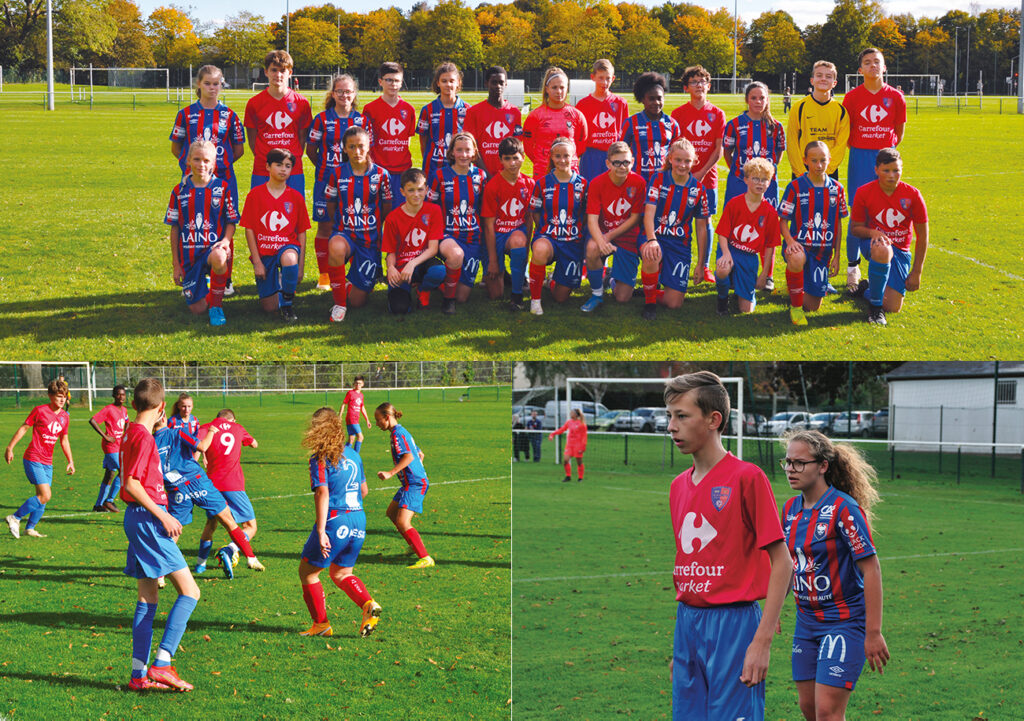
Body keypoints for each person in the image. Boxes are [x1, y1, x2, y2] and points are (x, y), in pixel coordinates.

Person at [664, 371, 791, 721]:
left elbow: (783, 562)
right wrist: (683, 650)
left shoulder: (746, 477)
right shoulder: (677, 487)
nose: (672, 426)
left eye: (682, 416)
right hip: (688, 623)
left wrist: (761, 640)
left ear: (713, 420)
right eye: (669, 416)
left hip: (734, 626)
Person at [780, 430, 889, 721]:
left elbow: (871, 568)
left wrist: (873, 632)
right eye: (788, 462)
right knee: (809, 709)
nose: (791, 469)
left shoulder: (844, 509)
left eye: (799, 463)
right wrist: (774, 609)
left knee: (828, 711)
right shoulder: (789, 510)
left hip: (843, 623)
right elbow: (788, 566)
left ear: (823, 466)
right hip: (806, 623)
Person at [119, 378, 200, 692]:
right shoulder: (143, 437)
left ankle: (138, 677)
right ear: (163, 407)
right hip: (148, 520)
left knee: (147, 599)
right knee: (190, 592)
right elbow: (131, 484)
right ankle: (162, 663)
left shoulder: (131, 431)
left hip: (135, 519)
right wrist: (164, 514)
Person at [298, 408, 381, 638]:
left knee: (308, 573)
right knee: (342, 573)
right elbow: (364, 490)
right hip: (358, 518)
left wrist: (322, 530)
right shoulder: (354, 455)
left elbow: (322, 493)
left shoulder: (320, 458)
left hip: (336, 520)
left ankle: (321, 624)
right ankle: (368, 605)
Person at [154, 415, 265, 580]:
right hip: (198, 481)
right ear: (163, 417)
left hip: (175, 487)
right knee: (228, 520)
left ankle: (161, 574)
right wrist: (212, 432)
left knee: (175, 530)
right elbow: (202, 446)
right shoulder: (178, 433)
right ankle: (251, 558)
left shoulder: (150, 442)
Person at [169, 65, 245, 297]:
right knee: (191, 226)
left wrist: (219, 167)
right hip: (194, 180)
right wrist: (193, 167)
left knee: (224, 227)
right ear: (198, 85)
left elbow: (239, 149)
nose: (213, 88)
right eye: (208, 83)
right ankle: (193, 276)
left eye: (217, 83)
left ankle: (225, 277)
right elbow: (176, 147)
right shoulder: (185, 114)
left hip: (224, 179)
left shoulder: (230, 115)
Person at [841, 48, 906, 293]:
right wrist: (864, 146)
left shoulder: (897, 97)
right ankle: (852, 270)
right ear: (860, 70)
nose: (873, 66)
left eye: (877, 62)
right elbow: (847, 133)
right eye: (867, 63)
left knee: (884, 212)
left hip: (885, 159)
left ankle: (883, 262)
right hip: (859, 157)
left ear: (884, 67)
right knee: (857, 214)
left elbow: (898, 133)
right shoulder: (852, 97)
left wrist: (884, 154)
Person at [848, 147, 928, 326]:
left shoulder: (913, 195)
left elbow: (922, 237)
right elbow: (855, 229)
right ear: (876, 170)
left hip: (900, 251)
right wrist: (873, 233)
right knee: (883, 248)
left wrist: (917, 272)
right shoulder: (864, 192)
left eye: (896, 170)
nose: (892, 175)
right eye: (886, 170)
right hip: (873, 245)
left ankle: (868, 289)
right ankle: (875, 310)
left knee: (893, 307)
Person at [165, 139, 238, 326]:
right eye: (197, 159)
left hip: (212, 249)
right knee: (197, 310)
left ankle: (217, 307)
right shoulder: (178, 191)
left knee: (220, 258)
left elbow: (231, 221)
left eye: (206, 161)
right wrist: (176, 264)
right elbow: (175, 228)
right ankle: (206, 285)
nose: (201, 165)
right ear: (188, 160)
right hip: (189, 255)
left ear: (214, 163)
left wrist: (226, 241)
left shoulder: (222, 188)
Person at [323, 126, 392, 322]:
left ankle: (347, 286)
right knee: (335, 247)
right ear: (344, 149)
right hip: (345, 234)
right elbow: (331, 203)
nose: (357, 151)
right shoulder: (337, 173)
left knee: (358, 301)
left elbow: (387, 205)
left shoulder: (381, 175)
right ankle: (338, 304)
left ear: (369, 146)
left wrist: (376, 226)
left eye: (361, 146)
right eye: (351, 147)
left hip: (369, 241)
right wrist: (340, 225)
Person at [638, 138, 710, 321]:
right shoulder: (659, 178)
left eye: (687, 161)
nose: (682, 165)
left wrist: (701, 264)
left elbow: (702, 228)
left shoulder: (698, 189)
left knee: (674, 304)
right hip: (655, 237)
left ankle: (651, 288)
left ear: (694, 161)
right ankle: (649, 303)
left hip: (680, 244)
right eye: (678, 160)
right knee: (652, 253)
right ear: (670, 159)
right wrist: (651, 239)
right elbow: (648, 213)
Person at [779, 141, 849, 326]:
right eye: (814, 160)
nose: (819, 165)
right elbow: (783, 220)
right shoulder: (795, 187)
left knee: (813, 306)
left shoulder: (837, 189)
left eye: (823, 160)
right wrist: (790, 241)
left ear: (829, 161)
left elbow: (838, 225)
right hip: (800, 245)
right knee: (796, 258)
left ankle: (796, 286)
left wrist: (837, 256)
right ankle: (795, 308)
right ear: (805, 161)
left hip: (822, 252)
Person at [723, 82, 785, 291]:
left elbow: (778, 153)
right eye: (754, 98)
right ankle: (731, 269)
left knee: (767, 226)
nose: (758, 102)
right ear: (747, 100)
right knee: (734, 225)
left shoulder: (775, 126)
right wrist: (741, 174)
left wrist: (767, 173)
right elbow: (728, 152)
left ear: (768, 100)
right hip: (739, 182)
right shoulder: (734, 124)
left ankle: (767, 275)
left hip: (767, 185)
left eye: (762, 98)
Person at [306, 74, 365, 291]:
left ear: (354, 93)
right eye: (339, 91)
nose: (344, 95)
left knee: (351, 226)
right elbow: (311, 149)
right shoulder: (322, 119)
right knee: (325, 227)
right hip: (326, 181)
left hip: (353, 183)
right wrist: (327, 168)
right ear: (333, 94)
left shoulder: (362, 120)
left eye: (348, 91)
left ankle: (345, 273)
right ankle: (324, 275)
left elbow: (367, 152)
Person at [240, 148, 309, 322]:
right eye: (279, 165)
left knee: (290, 259)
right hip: (265, 254)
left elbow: (301, 233)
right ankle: (280, 283)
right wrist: (257, 262)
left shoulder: (296, 197)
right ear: (268, 167)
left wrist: (300, 266)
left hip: (287, 248)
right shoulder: (255, 195)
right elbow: (249, 229)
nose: (284, 169)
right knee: (269, 308)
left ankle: (287, 305)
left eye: (288, 166)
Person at [672, 65, 726, 285]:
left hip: (707, 179)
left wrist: (702, 172)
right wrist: (685, 172)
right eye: (694, 82)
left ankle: (704, 267)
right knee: (678, 221)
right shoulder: (678, 114)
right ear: (686, 88)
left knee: (705, 221)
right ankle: (678, 263)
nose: (699, 85)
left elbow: (719, 148)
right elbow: (673, 149)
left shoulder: (717, 114)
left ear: (709, 86)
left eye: (702, 81)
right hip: (681, 179)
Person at [580, 142, 646, 311]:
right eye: (617, 163)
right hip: (602, 232)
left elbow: (635, 218)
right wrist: (602, 241)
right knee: (593, 247)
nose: (622, 167)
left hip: (627, 237)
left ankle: (610, 278)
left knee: (622, 298)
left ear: (632, 161)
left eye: (626, 162)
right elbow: (592, 220)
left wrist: (609, 237)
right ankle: (597, 294)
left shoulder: (638, 183)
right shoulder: (596, 183)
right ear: (608, 163)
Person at [527, 137, 589, 316]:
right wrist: (547, 229)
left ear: (574, 157)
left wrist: (573, 229)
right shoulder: (542, 183)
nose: (562, 160)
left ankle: (551, 281)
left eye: (566, 156)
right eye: (558, 156)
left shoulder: (583, 184)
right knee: (539, 249)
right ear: (552, 158)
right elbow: (535, 211)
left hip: (572, 242)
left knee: (560, 298)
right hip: (549, 237)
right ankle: (535, 301)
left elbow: (586, 214)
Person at [5, 379, 74, 539]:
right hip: (33, 457)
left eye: (64, 396)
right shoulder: (40, 410)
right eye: (58, 396)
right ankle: (14, 517)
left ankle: (30, 528)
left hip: (47, 462)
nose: (62, 399)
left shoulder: (65, 417)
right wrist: (10, 447)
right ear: (50, 396)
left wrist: (70, 460)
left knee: (43, 497)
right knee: (45, 495)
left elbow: (64, 439)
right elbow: (24, 428)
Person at [428, 131, 488, 313]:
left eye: (467, 150)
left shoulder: (481, 176)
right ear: (452, 152)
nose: (463, 154)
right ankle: (447, 301)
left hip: (472, 237)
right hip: (447, 234)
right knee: (455, 255)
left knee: (462, 296)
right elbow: (430, 209)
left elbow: (485, 210)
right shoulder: (439, 176)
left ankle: (437, 282)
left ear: (474, 153)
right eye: (459, 150)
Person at [194, 409, 260, 576]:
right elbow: (254, 443)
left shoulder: (207, 427)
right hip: (233, 484)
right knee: (250, 526)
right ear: (233, 419)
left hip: (212, 485)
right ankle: (230, 550)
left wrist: (204, 454)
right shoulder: (237, 428)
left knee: (211, 524)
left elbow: (196, 445)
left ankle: (200, 565)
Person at [713, 158, 781, 316]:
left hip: (749, 257)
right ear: (746, 180)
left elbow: (771, 245)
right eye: (755, 178)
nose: (760, 183)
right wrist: (726, 253)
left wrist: (765, 274)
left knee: (746, 310)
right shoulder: (734, 204)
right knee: (722, 269)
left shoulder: (770, 212)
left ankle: (741, 288)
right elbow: (722, 233)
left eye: (764, 179)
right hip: (731, 249)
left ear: (769, 183)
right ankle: (722, 299)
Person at [374, 402, 434, 569]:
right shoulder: (401, 431)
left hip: (414, 483)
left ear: (387, 417)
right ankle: (414, 545)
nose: (377, 424)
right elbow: (420, 453)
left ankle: (425, 558)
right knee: (392, 513)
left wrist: (390, 473)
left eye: (378, 420)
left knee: (402, 521)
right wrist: (418, 467)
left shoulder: (397, 434)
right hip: (410, 482)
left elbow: (409, 457)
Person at [243, 50, 312, 195]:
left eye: (283, 70)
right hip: (263, 169)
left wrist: (290, 158)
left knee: (293, 214)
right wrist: (267, 158)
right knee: (261, 213)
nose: (278, 75)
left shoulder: (302, 103)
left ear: (290, 73)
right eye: (274, 70)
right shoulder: (254, 103)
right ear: (266, 72)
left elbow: (302, 138)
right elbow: (253, 141)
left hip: (293, 169)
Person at [380, 168, 447, 314]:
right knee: (399, 309)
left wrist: (413, 263)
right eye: (411, 190)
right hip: (401, 268)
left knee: (439, 271)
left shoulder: (434, 211)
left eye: (420, 189)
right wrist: (391, 268)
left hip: (422, 263)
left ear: (427, 190)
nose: (416, 195)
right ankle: (406, 288)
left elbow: (433, 249)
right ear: (402, 191)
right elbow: (390, 251)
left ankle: (423, 290)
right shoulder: (392, 218)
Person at [480, 136, 535, 310]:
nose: (512, 163)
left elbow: (528, 219)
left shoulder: (529, 184)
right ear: (501, 160)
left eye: (515, 158)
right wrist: (493, 260)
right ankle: (504, 272)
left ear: (523, 157)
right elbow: (488, 226)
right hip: (495, 235)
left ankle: (517, 296)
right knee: (495, 295)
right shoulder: (492, 186)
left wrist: (526, 252)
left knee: (519, 241)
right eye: (507, 159)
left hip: (515, 234)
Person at [786, 61, 850, 182]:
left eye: (828, 76)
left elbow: (841, 145)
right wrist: (800, 171)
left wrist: (827, 169)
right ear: (812, 80)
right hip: (802, 171)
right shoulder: (799, 107)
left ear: (834, 83)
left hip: (828, 171)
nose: (823, 79)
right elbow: (792, 141)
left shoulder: (841, 111)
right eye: (819, 75)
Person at [363, 62, 416, 205]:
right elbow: (366, 141)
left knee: (400, 215)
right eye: (389, 80)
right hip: (378, 170)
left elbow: (407, 139)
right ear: (380, 82)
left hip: (402, 171)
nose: (393, 84)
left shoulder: (409, 109)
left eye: (397, 80)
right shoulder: (370, 109)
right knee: (376, 215)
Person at [522, 67, 588, 180]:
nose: (559, 91)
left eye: (562, 87)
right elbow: (528, 146)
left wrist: (567, 160)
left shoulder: (577, 115)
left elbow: (581, 145)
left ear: (567, 88)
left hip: (569, 173)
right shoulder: (535, 116)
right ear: (547, 89)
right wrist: (542, 161)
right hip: (543, 172)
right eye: (554, 87)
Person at [574, 59, 629, 181]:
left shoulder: (620, 103)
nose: (604, 82)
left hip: (614, 154)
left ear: (613, 78)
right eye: (601, 78)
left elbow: (625, 133)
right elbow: (578, 135)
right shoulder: (582, 105)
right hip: (590, 155)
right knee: (589, 190)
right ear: (593, 77)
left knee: (613, 190)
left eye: (608, 78)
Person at [621, 72, 680, 184]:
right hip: (637, 181)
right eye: (651, 99)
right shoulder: (631, 123)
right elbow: (621, 150)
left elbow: (677, 153)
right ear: (643, 99)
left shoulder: (672, 124)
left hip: (664, 181)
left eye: (659, 98)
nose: (656, 102)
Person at [464, 65, 522, 178]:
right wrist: (486, 174)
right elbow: (471, 147)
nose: (498, 86)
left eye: (501, 82)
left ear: (506, 84)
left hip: (507, 174)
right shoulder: (473, 112)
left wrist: (507, 172)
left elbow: (517, 147)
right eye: (494, 82)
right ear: (486, 83)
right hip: (481, 175)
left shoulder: (514, 112)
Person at [418, 62, 468, 188]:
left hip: (459, 165)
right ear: (438, 83)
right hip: (433, 166)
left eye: (452, 81)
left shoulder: (468, 110)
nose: (448, 84)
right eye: (444, 81)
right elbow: (423, 140)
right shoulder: (427, 110)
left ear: (458, 83)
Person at [90, 384, 129, 512]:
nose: (121, 397)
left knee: (109, 474)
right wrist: (105, 436)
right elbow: (93, 420)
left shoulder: (124, 410)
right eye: (118, 394)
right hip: (110, 446)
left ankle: (98, 505)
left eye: (123, 394)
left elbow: (127, 422)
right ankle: (109, 500)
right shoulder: (108, 409)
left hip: (119, 446)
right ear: (113, 395)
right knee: (123, 471)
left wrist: (126, 435)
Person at [548, 408, 586, 482]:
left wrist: (583, 447)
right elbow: (562, 429)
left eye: (572, 413)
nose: (570, 414)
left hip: (578, 445)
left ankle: (580, 477)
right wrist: (553, 434)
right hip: (570, 444)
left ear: (576, 414)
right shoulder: (569, 422)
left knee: (579, 461)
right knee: (565, 460)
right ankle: (568, 476)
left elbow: (584, 436)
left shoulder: (581, 424)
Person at [340, 376, 371, 452]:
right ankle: (356, 456)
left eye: (360, 383)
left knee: (351, 439)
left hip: (355, 419)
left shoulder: (361, 395)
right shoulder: (350, 393)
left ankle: (342, 454)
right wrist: (340, 416)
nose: (358, 385)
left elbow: (362, 408)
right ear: (354, 384)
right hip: (351, 418)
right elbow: (344, 404)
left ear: (363, 384)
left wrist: (367, 420)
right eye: (356, 383)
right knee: (360, 437)